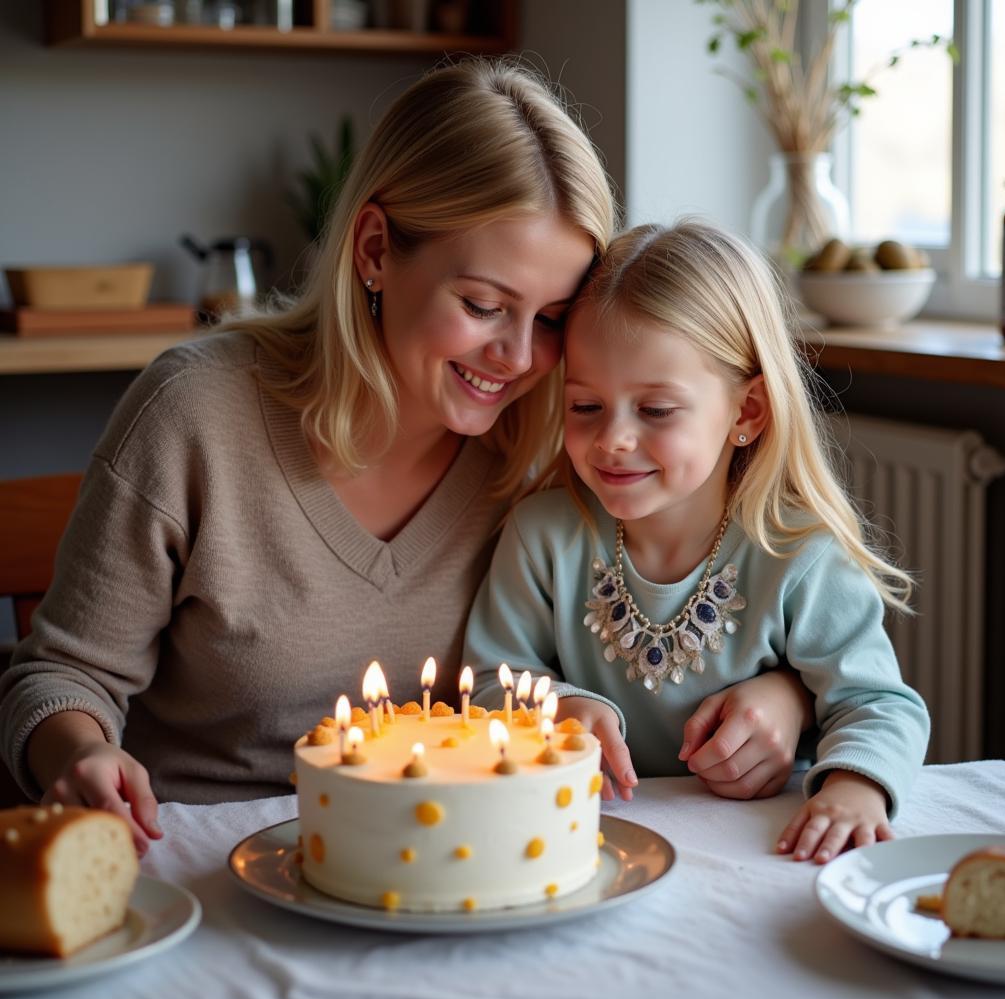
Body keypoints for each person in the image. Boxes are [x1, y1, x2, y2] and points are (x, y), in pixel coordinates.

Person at [1, 62, 807, 857]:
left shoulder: (554, 451)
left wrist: (788, 695)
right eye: (484, 306)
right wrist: (80, 754)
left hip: (441, 870)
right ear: (378, 249)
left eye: (554, 318)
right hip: (203, 868)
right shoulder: (196, 416)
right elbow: (58, 680)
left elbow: (668, 648)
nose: (521, 357)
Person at [465, 219, 930, 864]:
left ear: (746, 412)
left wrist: (854, 789)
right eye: (585, 407)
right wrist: (563, 707)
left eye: (655, 410)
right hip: (585, 850)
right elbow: (490, 677)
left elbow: (878, 704)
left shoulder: (800, 555)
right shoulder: (543, 537)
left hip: (753, 853)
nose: (612, 441)